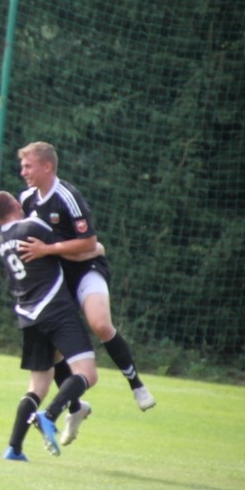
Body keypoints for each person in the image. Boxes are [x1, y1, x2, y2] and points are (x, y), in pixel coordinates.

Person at [17, 141, 155, 413]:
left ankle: (137, 385)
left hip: (86, 269)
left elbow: (89, 243)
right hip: (57, 279)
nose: (23, 172)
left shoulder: (67, 196)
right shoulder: (27, 199)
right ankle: (75, 408)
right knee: (53, 349)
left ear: (47, 166)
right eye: (22, 166)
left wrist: (49, 250)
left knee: (100, 324)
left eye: (28, 166)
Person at [0, 191, 99, 460]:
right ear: (17, 205)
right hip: (56, 309)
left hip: (28, 316)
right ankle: (49, 416)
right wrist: (97, 250)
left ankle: (14, 448)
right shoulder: (34, 226)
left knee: (37, 386)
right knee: (87, 374)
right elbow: (73, 245)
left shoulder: (1, 241)